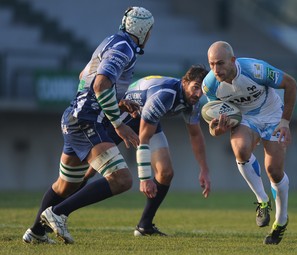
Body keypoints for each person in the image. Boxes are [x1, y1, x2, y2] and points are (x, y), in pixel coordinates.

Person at [22, 6, 154, 244]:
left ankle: (36, 232)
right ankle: (58, 213)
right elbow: (100, 84)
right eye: (150, 30)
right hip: (88, 120)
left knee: (65, 185)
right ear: (143, 29)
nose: (150, 35)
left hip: (74, 116)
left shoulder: (111, 41)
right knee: (122, 179)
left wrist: (118, 104)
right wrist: (118, 124)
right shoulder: (124, 47)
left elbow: (84, 76)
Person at [202, 41, 297, 245]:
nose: (216, 70)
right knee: (241, 149)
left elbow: (291, 84)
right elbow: (213, 125)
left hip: (272, 114)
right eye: (211, 64)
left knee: (274, 171)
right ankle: (262, 201)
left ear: (233, 61)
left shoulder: (256, 70)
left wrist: (285, 123)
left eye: (220, 63)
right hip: (245, 118)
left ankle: (281, 221)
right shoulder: (209, 85)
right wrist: (216, 129)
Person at [101, 66, 211, 236]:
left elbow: (196, 135)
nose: (198, 94)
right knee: (88, 170)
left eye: (202, 90)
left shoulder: (192, 102)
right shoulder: (165, 95)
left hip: (149, 118)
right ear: (184, 83)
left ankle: (144, 226)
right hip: (126, 115)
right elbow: (143, 139)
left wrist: (204, 169)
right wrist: (145, 178)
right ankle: (55, 212)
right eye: (195, 87)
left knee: (165, 173)